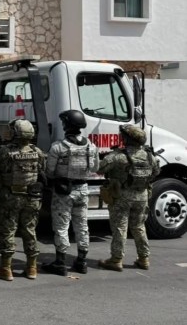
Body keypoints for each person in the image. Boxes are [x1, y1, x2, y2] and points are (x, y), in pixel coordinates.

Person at [42, 110, 99, 276]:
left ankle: (60, 263)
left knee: (61, 226)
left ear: (66, 125)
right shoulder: (91, 146)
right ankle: (82, 262)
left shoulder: (58, 147)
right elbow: (95, 168)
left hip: (63, 191)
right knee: (82, 225)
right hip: (83, 189)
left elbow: (49, 171)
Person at [0, 119, 46, 281]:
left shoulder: (5, 152)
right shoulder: (38, 152)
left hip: (10, 197)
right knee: (30, 230)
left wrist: (0, 187)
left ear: (15, 133)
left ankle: (6, 268)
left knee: (8, 230)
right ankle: (32, 268)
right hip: (32, 198)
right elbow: (42, 171)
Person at [98, 124, 159, 272]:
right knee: (139, 227)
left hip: (122, 196)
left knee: (120, 227)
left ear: (126, 139)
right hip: (142, 196)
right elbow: (156, 172)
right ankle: (144, 259)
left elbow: (100, 169)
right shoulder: (150, 156)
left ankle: (116, 260)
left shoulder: (118, 156)